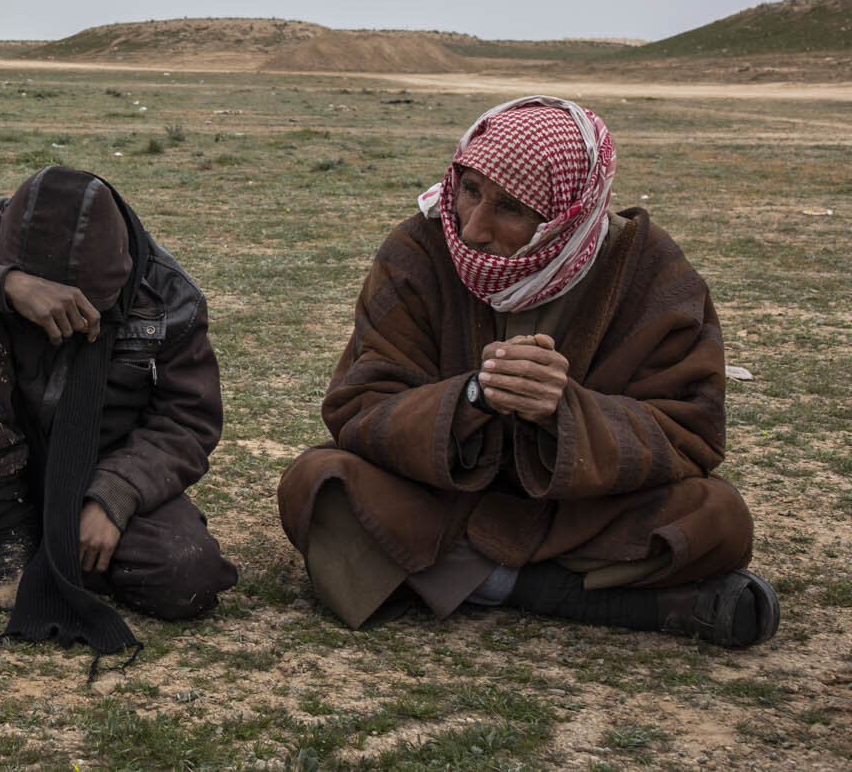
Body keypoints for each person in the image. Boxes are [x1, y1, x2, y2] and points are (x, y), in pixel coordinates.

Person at [277, 96, 777, 647]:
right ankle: (569, 595)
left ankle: (472, 582)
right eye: (470, 190)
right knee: (317, 482)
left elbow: (691, 430)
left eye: (510, 208)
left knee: (717, 517)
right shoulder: (420, 248)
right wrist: (470, 398)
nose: (472, 228)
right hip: (436, 496)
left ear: (568, 215)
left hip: (580, 511)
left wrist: (566, 410)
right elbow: (359, 405)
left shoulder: (650, 271)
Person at [0, 165, 237, 662]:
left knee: (186, 575)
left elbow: (188, 419)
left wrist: (115, 498)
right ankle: (12, 532)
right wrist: (6, 286)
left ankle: (58, 542)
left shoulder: (167, 295)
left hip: (102, 472)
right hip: (2, 458)